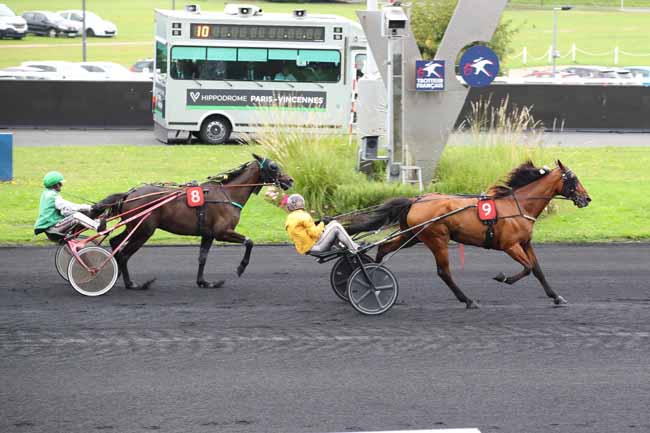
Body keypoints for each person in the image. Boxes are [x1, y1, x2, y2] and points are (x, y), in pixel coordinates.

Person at [34, 171, 106, 239]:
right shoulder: (51, 195)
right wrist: (89, 207)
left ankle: (96, 222)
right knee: (76, 216)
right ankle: (97, 227)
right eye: (60, 183)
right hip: (52, 228)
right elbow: (69, 206)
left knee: (68, 212)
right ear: (55, 185)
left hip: (51, 225)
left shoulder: (47, 193)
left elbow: (65, 210)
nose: (62, 185)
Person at [284, 194, 358, 255]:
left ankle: (344, 245)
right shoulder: (303, 215)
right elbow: (315, 234)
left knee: (333, 223)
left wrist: (322, 223)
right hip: (316, 247)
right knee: (336, 226)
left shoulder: (290, 217)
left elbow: (306, 231)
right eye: (299, 202)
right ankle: (354, 249)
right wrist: (323, 223)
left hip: (307, 247)